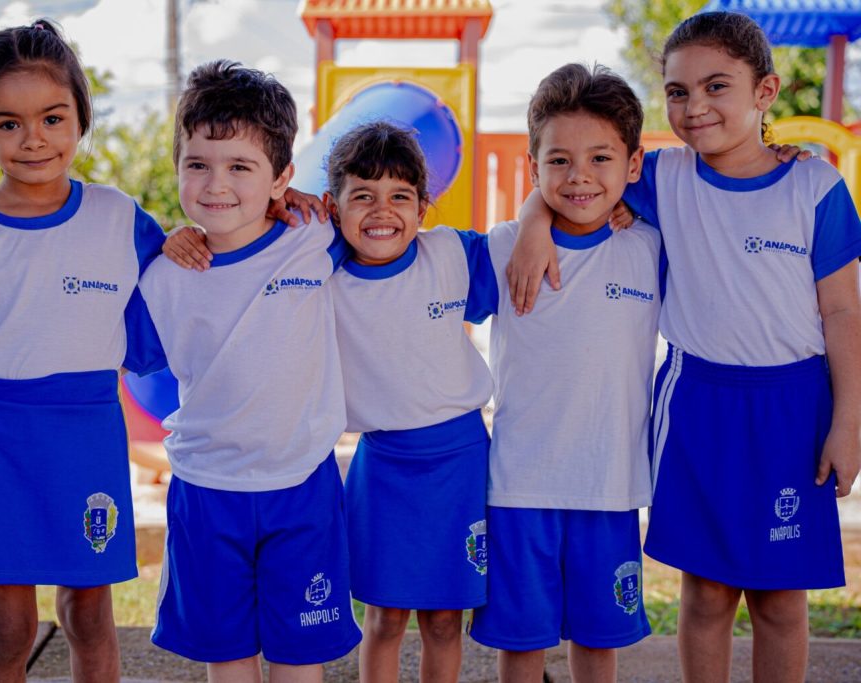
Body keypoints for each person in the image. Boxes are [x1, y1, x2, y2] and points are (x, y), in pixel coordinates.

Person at [507, 12, 861, 683]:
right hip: (697, 404)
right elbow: (573, 172)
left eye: (716, 86)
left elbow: (844, 310)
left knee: (781, 598)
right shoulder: (662, 177)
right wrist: (532, 220)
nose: (694, 106)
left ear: (766, 91)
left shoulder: (816, 187)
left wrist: (849, 420)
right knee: (704, 593)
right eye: (677, 91)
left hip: (794, 407)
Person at [163, 120, 497, 682]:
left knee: (443, 620)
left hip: (459, 461)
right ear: (333, 206)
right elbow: (243, 227)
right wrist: (181, 231)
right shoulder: (320, 265)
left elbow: (538, 239)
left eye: (400, 197)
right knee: (384, 616)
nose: (381, 211)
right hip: (382, 465)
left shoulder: (455, 255)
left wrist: (601, 213)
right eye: (362, 196)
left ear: (423, 208)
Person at [0, 20, 165, 682]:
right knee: (8, 627)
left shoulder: (120, 218)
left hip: (87, 438)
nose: (33, 137)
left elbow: (199, 268)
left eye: (52, 116)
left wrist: (281, 203)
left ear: (80, 117)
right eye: (8, 122)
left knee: (91, 618)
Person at [123, 60, 361, 683]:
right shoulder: (162, 277)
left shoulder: (316, 236)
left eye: (240, 166)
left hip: (301, 487)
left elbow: (391, 227)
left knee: (298, 664)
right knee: (227, 663)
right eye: (197, 164)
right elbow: (124, 358)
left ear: (282, 176)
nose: (215, 183)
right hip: (207, 491)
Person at [463, 64, 658, 683]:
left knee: (599, 644)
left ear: (633, 165)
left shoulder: (652, 245)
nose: (579, 176)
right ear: (533, 166)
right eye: (559, 161)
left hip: (610, 485)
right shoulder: (500, 247)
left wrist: (535, 215)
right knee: (520, 644)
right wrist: (530, 221)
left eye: (601, 158)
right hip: (521, 486)